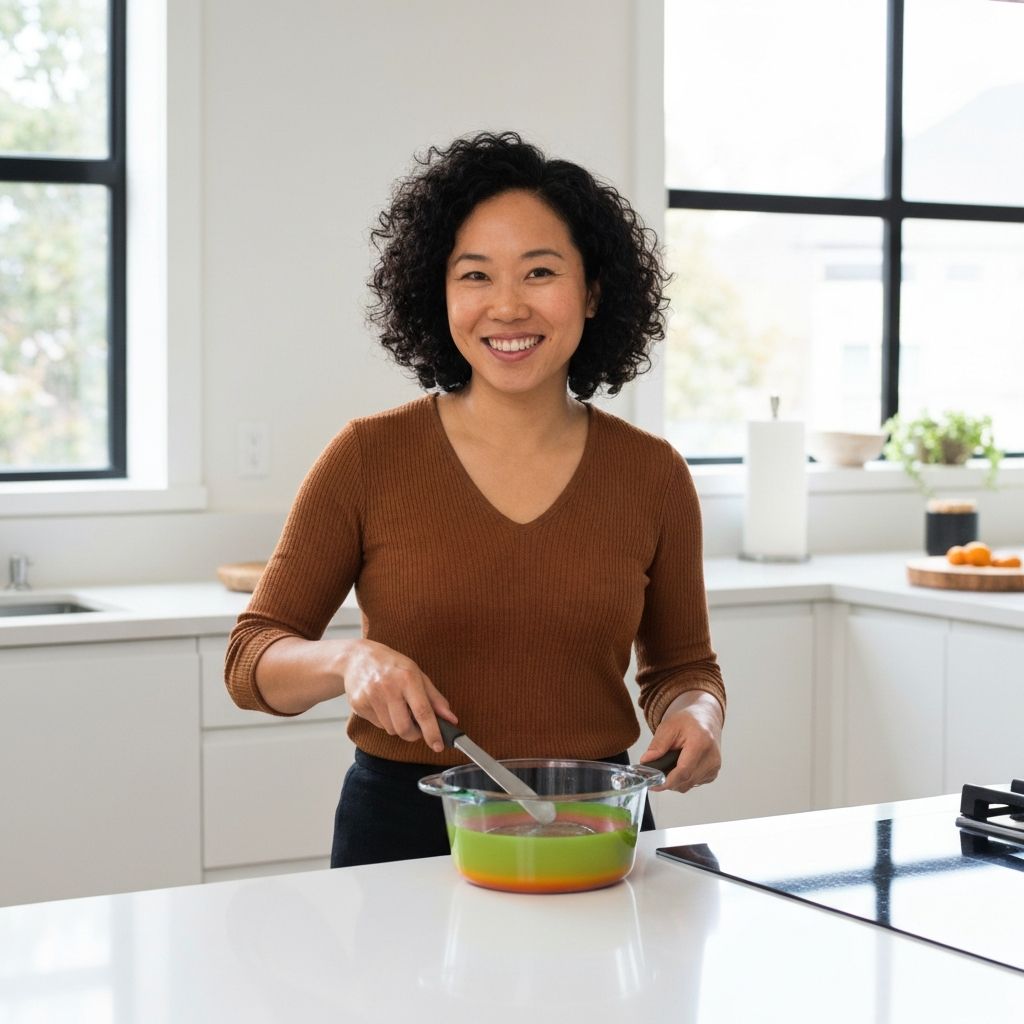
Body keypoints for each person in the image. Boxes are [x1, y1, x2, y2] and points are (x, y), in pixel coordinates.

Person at [225, 131, 726, 868]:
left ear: (591, 291)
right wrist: (349, 662)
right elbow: (251, 659)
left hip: (599, 822)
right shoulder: (368, 457)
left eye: (540, 272)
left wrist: (699, 715)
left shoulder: (652, 474)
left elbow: (685, 669)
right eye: (475, 276)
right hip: (406, 833)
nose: (508, 306)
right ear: (440, 293)